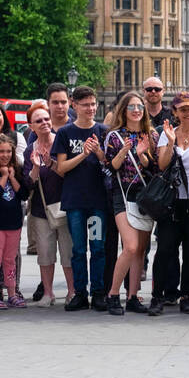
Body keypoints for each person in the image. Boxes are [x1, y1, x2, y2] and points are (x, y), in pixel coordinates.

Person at [151, 93, 189, 315]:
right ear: (175, 112)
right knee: (165, 248)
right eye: (183, 110)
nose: (187, 113)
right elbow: (163, 164)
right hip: (172, 200)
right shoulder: (167, 134)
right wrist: (171, 141)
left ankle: (187, 294)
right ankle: (158, 295)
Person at [52, 86, 109, 312]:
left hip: (97, 202)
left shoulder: (103, 130)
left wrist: (98, 153)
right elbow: (62, 168)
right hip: (75, 201)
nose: (90, 109)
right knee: (78, 249)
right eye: (85, 105)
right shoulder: (66, 133)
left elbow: (110, 164)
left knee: (97, 247)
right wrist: (83, 154)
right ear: (74, 105)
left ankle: (98, 292)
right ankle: (79, 292)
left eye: (93, 104)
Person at [101, 93, 158, 315]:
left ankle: (133, 296)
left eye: (139, 106)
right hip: (122, 194)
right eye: (131, 106)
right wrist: (125, 151)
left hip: (144, 195)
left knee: (140, 250)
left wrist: (143, 156)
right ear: (123, 110)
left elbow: (154, 169)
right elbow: (110, 167)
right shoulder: (114, 136)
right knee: (131, 246)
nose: (136, 110)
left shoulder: (150, 135)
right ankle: (113, 294)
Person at [23, 102, 73, 308]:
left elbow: (69, 173)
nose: (44, 123)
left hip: (65, 206)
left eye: (46, 119)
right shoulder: (29, 151)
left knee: (68, 252)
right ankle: (48, 293)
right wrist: (35, 167)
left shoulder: (61, 143)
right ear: (31, 126)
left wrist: (51, 163)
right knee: (45, 252)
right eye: (38, 121)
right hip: (41, 209)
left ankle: (72, 291)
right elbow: (28, 184)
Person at [0, 132, 28, 309]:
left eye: (8, 151)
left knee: (10, 259)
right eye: (1, 151)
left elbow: (24, 194)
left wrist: (11, 176)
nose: (5, 155)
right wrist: (3, 177)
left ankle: (12, 292)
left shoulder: (16, 170)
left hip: (14, 223)